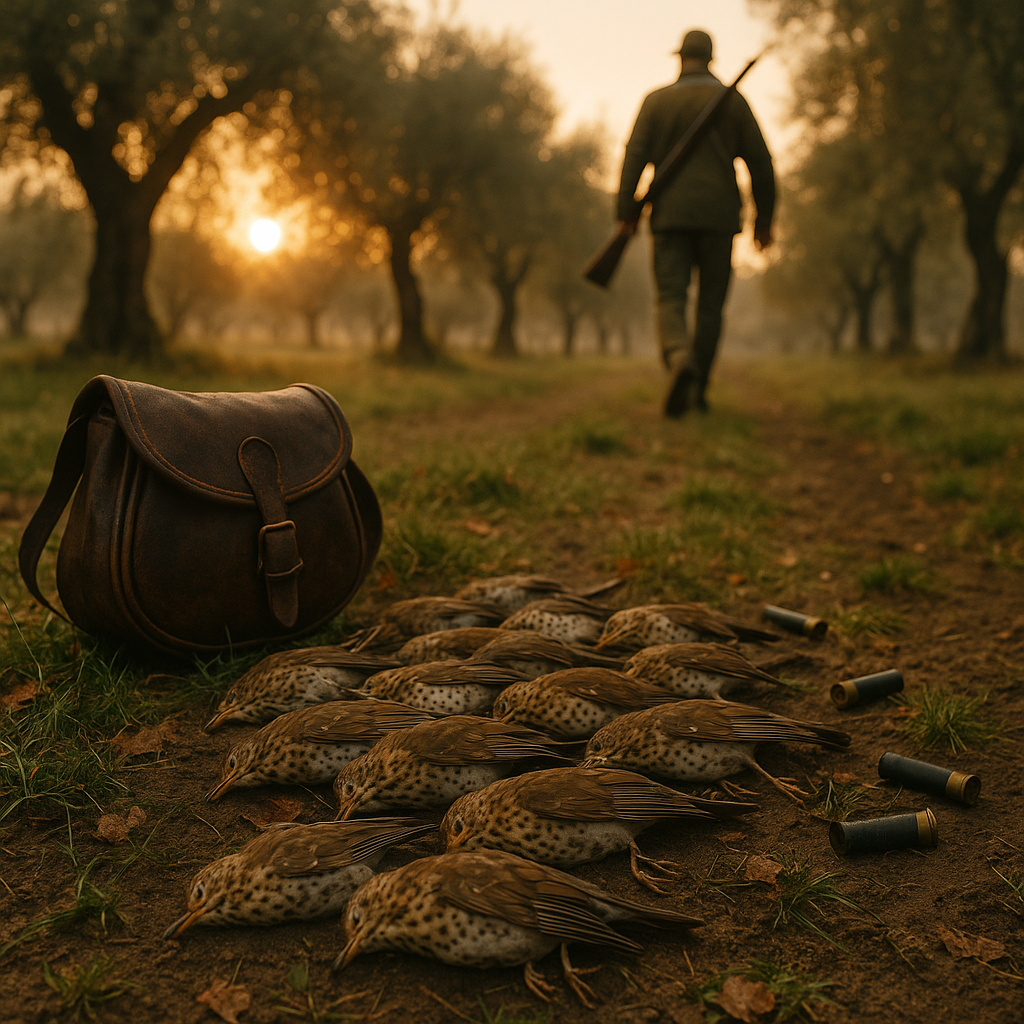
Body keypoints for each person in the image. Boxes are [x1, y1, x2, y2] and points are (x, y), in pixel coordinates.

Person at [617, 29, 775, 417]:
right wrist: (765, 220)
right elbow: (761, 163)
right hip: (721, 219)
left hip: (669, 217)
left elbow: (633, 158)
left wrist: (625, 214)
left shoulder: (655, 102)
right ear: (710, 59)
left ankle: (678, 358)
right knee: (710, 308)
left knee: (671, 297)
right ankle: (698, 388)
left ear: (680, 58)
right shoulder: (734, 102)